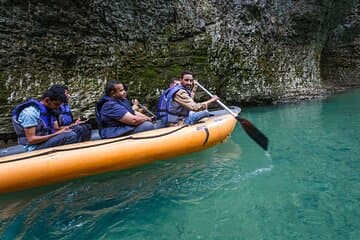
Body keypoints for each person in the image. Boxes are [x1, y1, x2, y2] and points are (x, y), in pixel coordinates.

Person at [11, 87, 79, 151]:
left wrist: (72, 126)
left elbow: (53, 129)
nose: (58, 107)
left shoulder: (49, 110)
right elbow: (31, 140)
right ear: (47, 100)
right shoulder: (30, 113)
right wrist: (57, 134)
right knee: (70, 136)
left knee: (77, 129)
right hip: (33, 148)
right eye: (56, 104)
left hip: (44, 142)